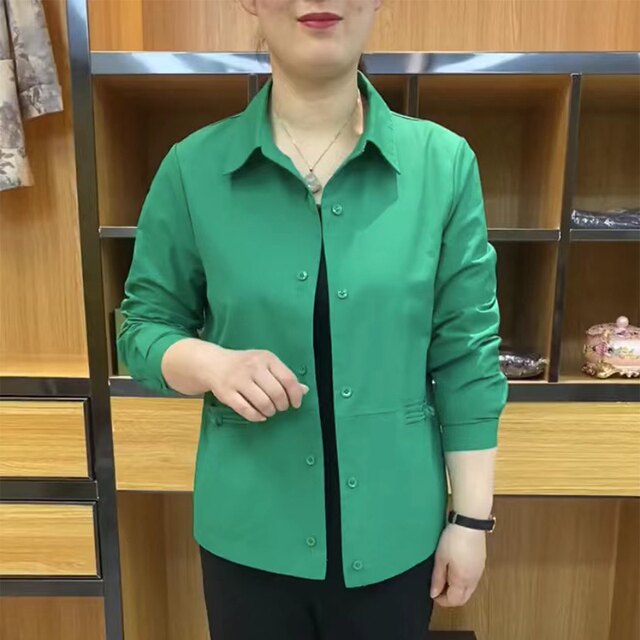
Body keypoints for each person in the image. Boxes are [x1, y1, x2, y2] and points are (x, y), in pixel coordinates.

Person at [117, 0, 509, 638]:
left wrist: (470, 521)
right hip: (248, 536)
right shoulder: (192, 168)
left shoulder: (444, 164)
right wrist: (212, 364)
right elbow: (141, 328)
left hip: (396, 536)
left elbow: (466, 357)